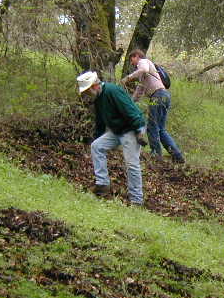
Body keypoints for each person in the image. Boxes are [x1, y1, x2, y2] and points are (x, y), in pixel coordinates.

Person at [77, 70, 146, 206]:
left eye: (87, 91)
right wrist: (97, 137)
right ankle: (102, 185)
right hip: (117, 130)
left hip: (131, 128)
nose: (86, 95)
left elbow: (129, 108)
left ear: (94, 86)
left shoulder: (112, 91)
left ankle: (137, 200)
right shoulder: (98, 98)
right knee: (97, 146)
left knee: (132, 164)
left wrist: (139, 129)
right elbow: (100, 121)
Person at [122, 49, 185, 164]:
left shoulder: (143, 62)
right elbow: (139, 92)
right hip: (164, 96)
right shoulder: (143, 75)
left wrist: (128, 78)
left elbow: (144, 69)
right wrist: (130, 104)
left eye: (132, 60)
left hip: (157, 97)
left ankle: (156, 156)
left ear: (137, 56)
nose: (132, 63)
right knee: (161, 129)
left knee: (152, 126)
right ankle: (178, 156)